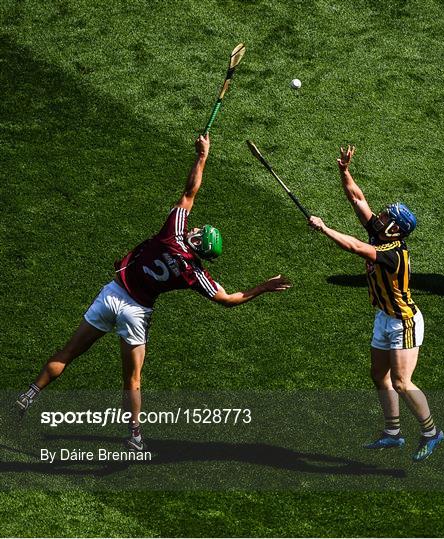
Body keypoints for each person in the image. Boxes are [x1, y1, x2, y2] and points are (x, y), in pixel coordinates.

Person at [16, 134, 291, 451]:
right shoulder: (193, 272)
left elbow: (190, 192)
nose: (195, 230)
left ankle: (30, 394)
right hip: (137, 313)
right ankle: (134, 435)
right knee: (132, 381)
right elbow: (228, 300)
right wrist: (264, 287)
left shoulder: (172, 232)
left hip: (112, 295)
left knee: (68, 352)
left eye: (199, 233)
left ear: (198, 242)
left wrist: (202, 156)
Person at [307, 145, 444, 462]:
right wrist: (344, 171)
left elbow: (356, 247)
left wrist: (324, 227)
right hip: (384, 316)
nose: (378, 216)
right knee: (378, 376)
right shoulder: (381, 234)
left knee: (401, 381)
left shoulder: (393, 253)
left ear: (395, 228)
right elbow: (357, 200)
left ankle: (431, 432)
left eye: (384, 216)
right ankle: (393, 433)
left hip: (404, 321)